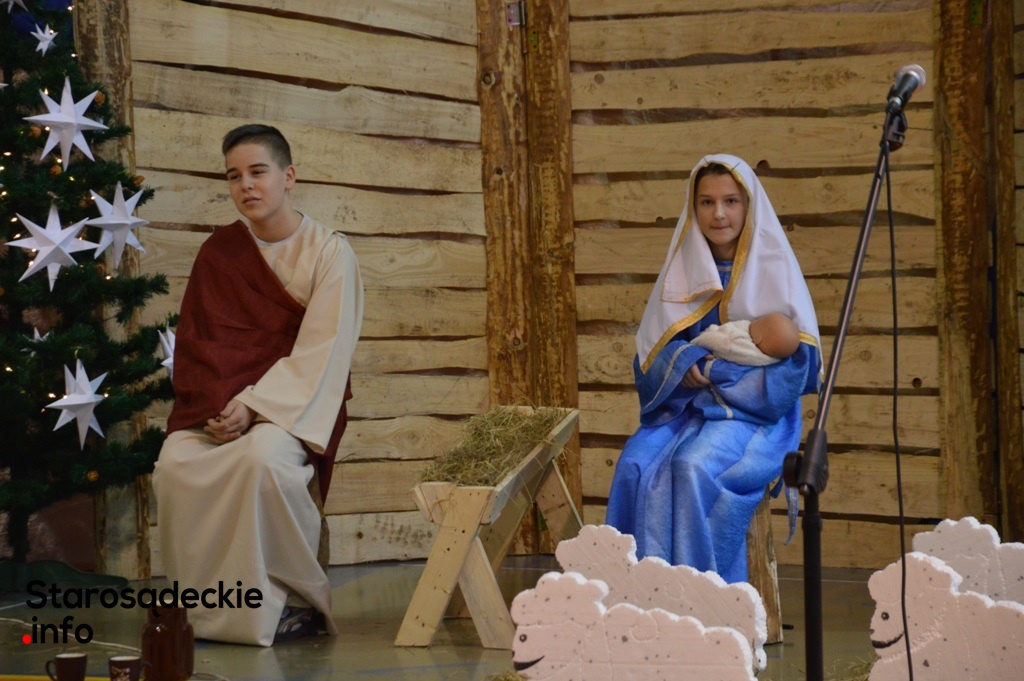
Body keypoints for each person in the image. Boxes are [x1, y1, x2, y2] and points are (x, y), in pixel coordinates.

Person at [153, 124, 364, 645]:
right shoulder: (219, 251)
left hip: (291, 407)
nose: (245, 185)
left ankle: (291, 603)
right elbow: (199, 343)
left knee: (263, 461)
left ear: (288, 177)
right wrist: (216, 407)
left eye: (257, 172)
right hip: (220, 403)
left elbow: (323, 350)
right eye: (234, 176)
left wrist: (254, 407)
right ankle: (203, 609)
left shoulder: (330, 252)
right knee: (175, 464)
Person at [605, 154, 820, 584]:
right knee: (634, 466)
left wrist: (720, 375)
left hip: (751, 417)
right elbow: (652, 356)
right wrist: (683, 364)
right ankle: (638, 593)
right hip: (685, 410)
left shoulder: (774, 270)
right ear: (694, 208)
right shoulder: (681, 272)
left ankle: (704, 596)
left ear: (749, 206)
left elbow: (794, 370)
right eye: (706, 202)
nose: (719, 214)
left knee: (693, 467)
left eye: (730, 201)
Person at [691, 312, 801, 367]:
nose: (753, 320)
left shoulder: (737, 341)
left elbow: (712, 340)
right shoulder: (770, 361)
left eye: (759, 321)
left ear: (757, 339)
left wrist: (695, 343)